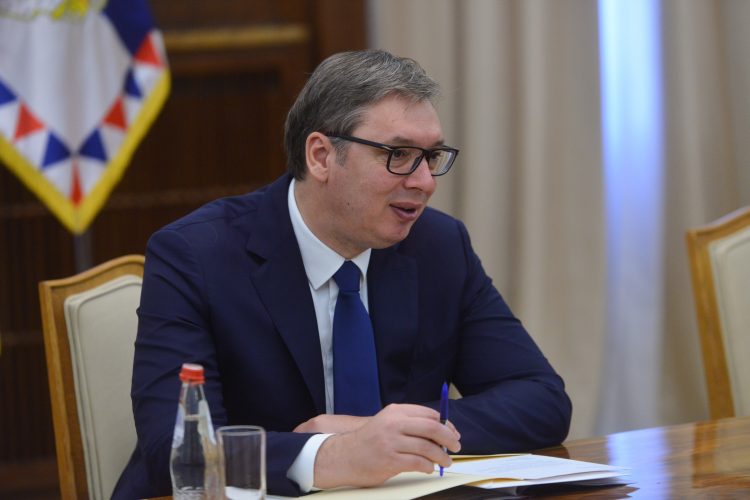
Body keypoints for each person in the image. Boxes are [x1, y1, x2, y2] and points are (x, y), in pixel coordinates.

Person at [113, 49, 572, 499]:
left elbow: (541, 400)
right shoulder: (196, 256)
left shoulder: (439, 247)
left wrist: (386, 435)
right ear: (321, 156)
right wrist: (331, 456)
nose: (425, 182)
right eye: (398, 154)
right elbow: (179, 449)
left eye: (431, 157)